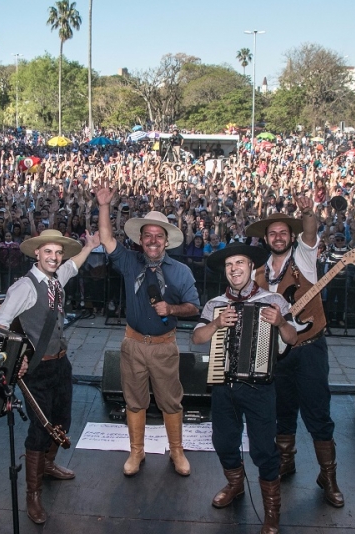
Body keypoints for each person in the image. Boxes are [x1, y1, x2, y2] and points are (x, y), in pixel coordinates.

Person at [0, 229, 100, 524]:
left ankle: (49, 465)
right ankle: (33, 495)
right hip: (36, 370)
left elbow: (73, 265)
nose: (54, 257)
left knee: (62, 419)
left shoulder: (56, 277)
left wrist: (90, 246)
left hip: (60, 364)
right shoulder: (24, 287)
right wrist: (19, 356)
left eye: (57, 252)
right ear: (36, 254)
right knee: (41, 430)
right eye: (48, 252)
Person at [95, 182, 200, 477]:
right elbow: (105, 237)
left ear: (166, 241)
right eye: (148, 235)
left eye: (158, 236)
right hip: (133, 345)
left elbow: (194, 307)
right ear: (140, 240)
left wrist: (172, 309)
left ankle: (177, 452)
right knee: (134, 400)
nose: (153, 240)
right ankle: (136, 453)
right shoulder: (129, 262)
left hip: (165, 346)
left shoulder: (181, 271)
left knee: (170, 401)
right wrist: (104, 206)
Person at [192, 243, 297, 534]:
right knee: (224, 442)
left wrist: (280, 322)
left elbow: (292, 338)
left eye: (240, 263)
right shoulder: (215, 303)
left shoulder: (273, 299)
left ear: (252, 267)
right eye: (229, 265)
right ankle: (236, 485)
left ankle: (272, 511)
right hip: (224, 386)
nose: (234, 269)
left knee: (264, 450)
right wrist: (215, 324)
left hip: (260, 388)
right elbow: (197, 338)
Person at [247, 197, 345, 509]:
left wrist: (307, 212)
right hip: (278, 353)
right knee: (282, 412)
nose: (278, 237)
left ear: (291, 236)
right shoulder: (257, 275)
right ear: (265, 239)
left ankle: (328, 476)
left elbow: (312, 229)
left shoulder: (303, 257)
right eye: (272, 233)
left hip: (310, 349)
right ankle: (286, 462)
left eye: (283, 232)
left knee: (318, 413)